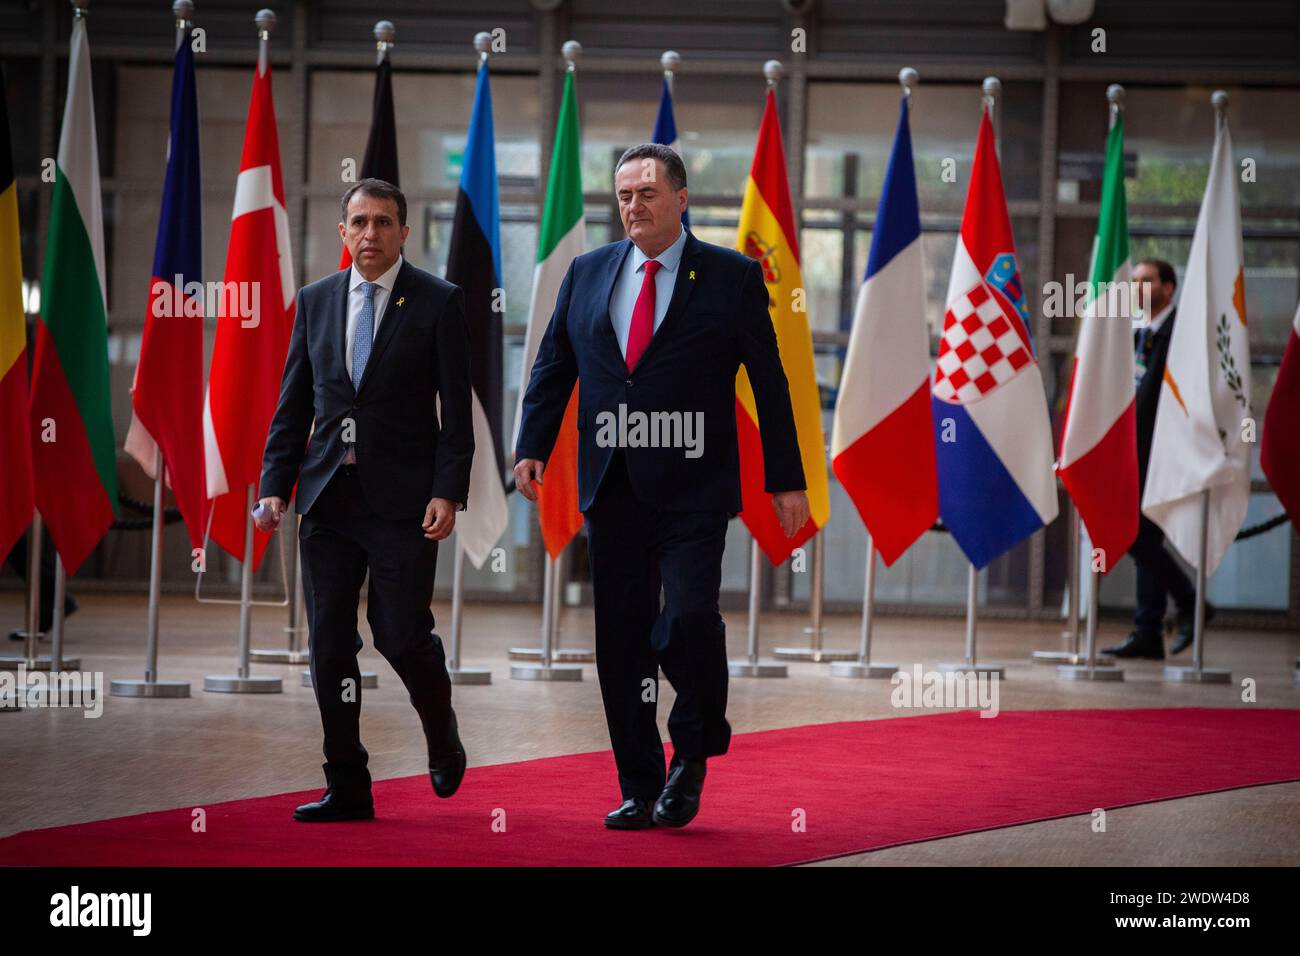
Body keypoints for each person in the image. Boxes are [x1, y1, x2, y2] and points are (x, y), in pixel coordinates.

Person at [514, 144, 809, 829]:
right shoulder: (587, 271)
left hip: (694, 487)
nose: (634, 205)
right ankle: (639, 786)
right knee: (621, 639)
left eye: (647, 192)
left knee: (689, 617)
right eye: (624, 195)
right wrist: (531, 445)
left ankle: (694, 749)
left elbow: (770, 382)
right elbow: (555, 363)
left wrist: (786, 479)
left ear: (681, 198)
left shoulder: (731, 276)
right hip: (612, 484)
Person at [256, 178, 475, 821]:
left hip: (404, 502)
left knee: (401, 634)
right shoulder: (316, 300)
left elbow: (457, 415)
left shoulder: (438, 301)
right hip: (328, 498)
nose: (370, 233)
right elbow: (294, 405)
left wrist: (448, 493)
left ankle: (440, 729)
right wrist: (274, 486)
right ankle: (347, 783)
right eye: (359, 222)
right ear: (343, 232)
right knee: (329, 645)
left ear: (404, 232)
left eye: (383, 222)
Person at [1102, 258, 1211, 659]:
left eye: (1146, 281)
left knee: (1138, 535)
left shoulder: (1181, 334)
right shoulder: (1137, 335)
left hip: (1162, 454)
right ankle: (1149, 630)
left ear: (1168, 288)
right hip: (1133, 454)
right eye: (1133, 281)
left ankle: (1186, 602)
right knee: (1141, 536)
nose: (1136, 287)